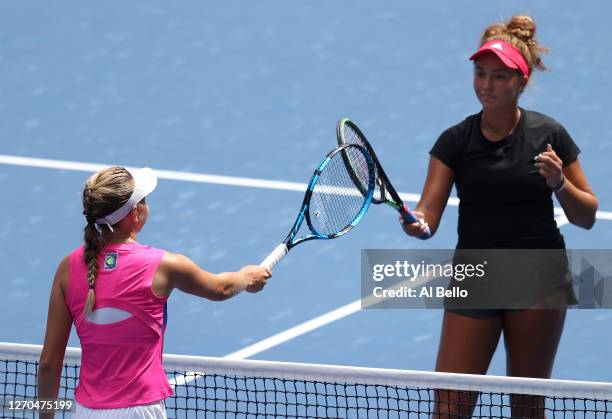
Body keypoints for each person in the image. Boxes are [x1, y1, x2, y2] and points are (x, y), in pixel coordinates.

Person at [401, 15, 598, 418]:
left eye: (498, 77)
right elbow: (429, 214)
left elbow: (587, 216)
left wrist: (560, 183)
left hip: (539, 277)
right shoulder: (454, 141)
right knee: (450, 407)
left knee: (526, 407)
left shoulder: (550, 134)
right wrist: (417, 223)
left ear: (521, 83)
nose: (486, 85)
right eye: (480, 74)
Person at [37, 166, 271, 418]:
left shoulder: (67, 268)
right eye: (144, 200)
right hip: (141, 412)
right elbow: (221, 288)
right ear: (135, 214)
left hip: (86, 412)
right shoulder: (164, 265)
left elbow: (50, 363)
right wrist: (247, 277)